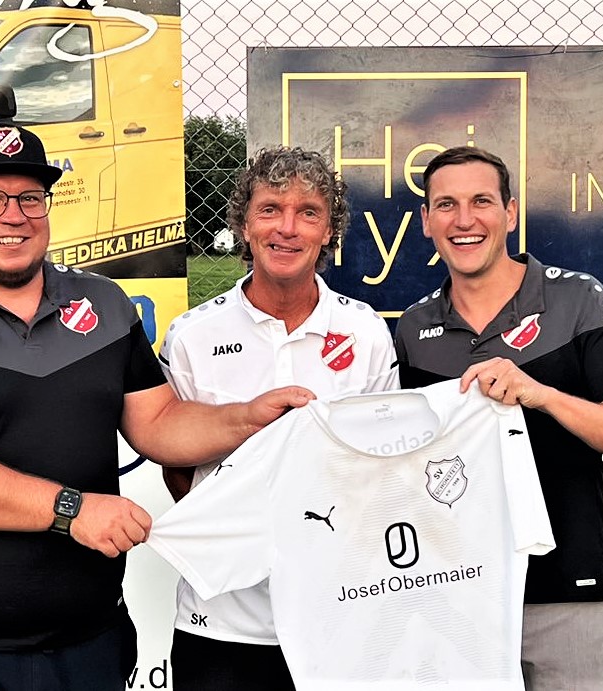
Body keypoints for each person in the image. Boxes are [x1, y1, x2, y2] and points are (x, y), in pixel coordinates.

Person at [0, 124, 313, 691]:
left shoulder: (104, 303)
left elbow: (159, 423)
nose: (13, 216)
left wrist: (246, 417)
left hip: (88, 638)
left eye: (30, 198)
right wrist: (70, 509)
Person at [393, 146, 603, 691]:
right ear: (426, 221)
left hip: (567, 592)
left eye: (481, 201)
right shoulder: (413, 327)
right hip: (455, 599)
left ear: (511, 212)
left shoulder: (578, 298)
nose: (464, 220)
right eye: (446, 205)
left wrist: (543, 395)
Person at [157, 146, 399, 690]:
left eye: (308, 212)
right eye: (270, 209)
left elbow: (384, 468)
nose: (287, 228)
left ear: (329, 231)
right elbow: (176, 468)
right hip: (221, 621)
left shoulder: (366, 332)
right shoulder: (192, 334)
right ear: (244, 225)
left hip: (341, 612)